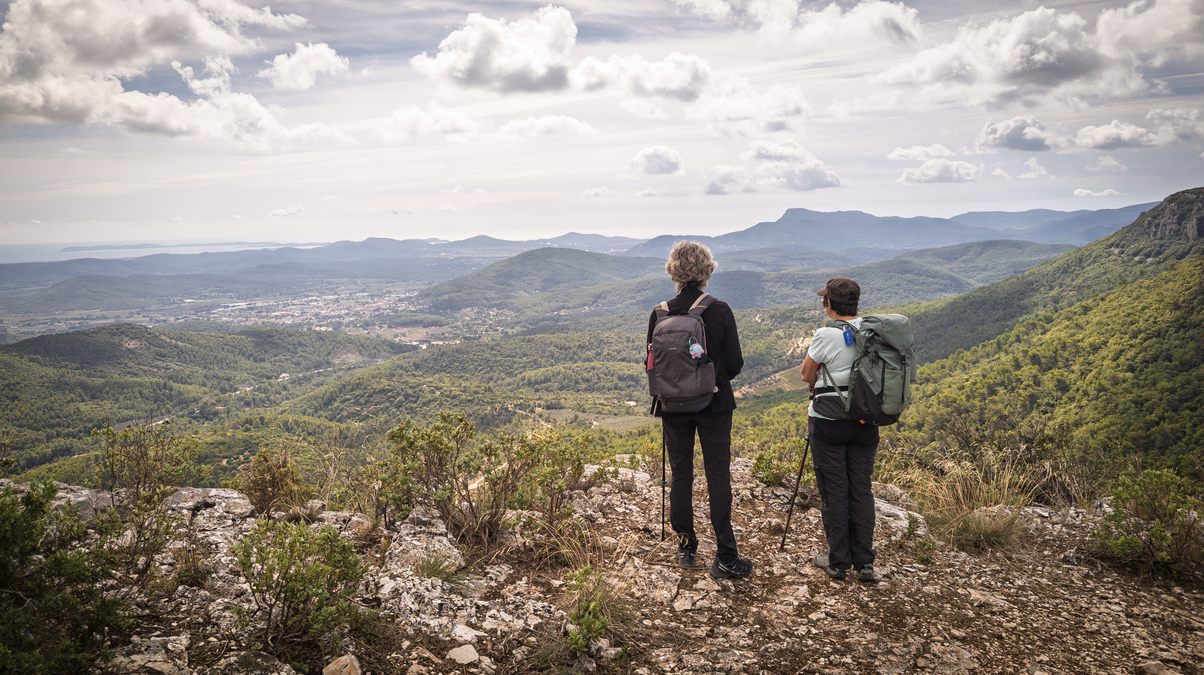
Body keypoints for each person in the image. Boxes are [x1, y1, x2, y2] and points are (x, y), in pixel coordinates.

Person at [647, 241, 751, 579]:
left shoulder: (659, 313)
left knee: (681, 474)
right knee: (717, 475)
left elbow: (651, 363)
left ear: (673, 271)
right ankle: (725, 555)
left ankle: (686, 546)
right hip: (715, 404)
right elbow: (734, 364)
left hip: (672, 406)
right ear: (707, 270)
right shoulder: (718, 310)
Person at [799, 277, 880, 583]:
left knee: (835, 490)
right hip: (866, 421)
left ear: (830, 304)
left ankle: (838, 562)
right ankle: (865, 563)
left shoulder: (826, 334)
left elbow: (807, 374)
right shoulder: (873, 332)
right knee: (861, 488)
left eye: (824, 300)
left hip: (828, 422)